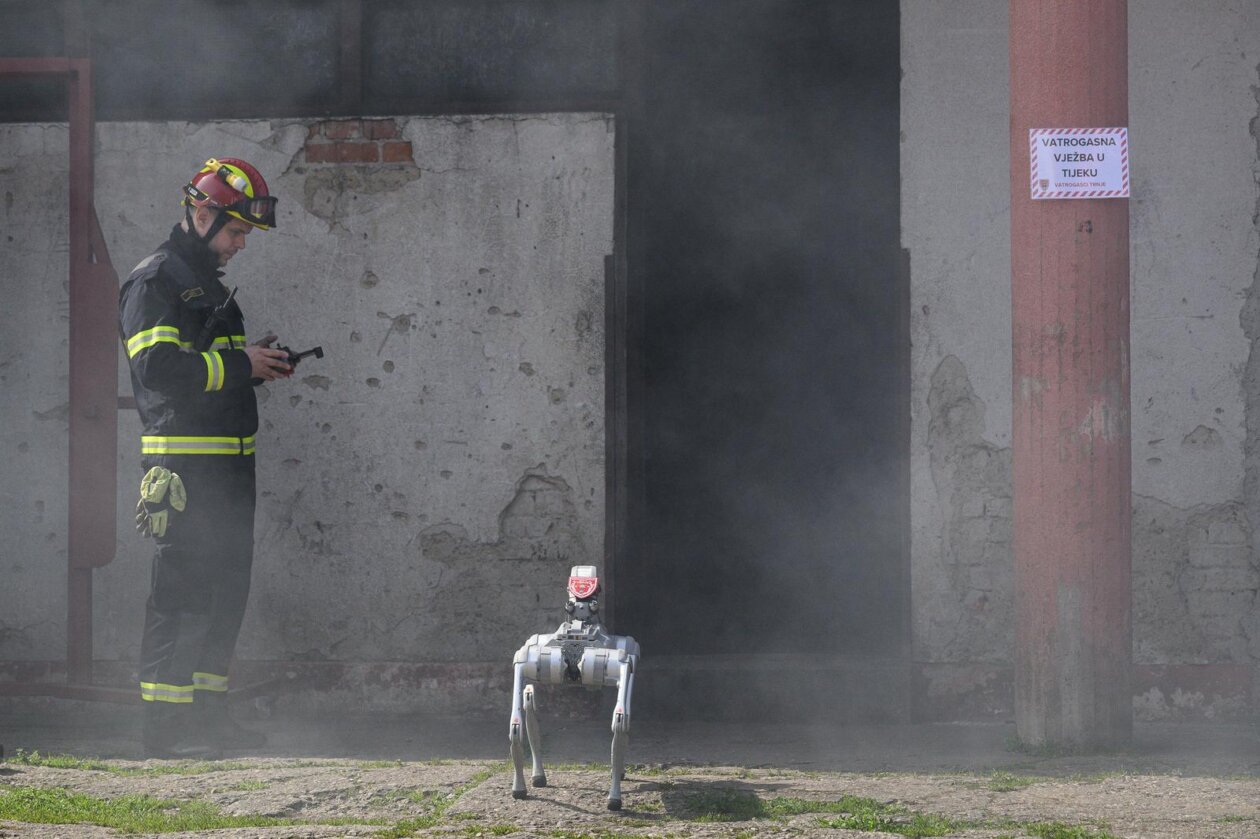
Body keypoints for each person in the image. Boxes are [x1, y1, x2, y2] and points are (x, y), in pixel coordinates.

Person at [118, 157, 292, 758]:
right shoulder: (155, 281)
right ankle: (164, 732)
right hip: (186, 471)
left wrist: (254, 365)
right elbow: (157, 369)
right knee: (182, 598)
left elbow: (205, 370)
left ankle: (209, 722)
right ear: (201, 213)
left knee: (223, 597)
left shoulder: (204, 282)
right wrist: (240, 364)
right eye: (236, 231)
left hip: (228, 471)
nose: (241, 244)